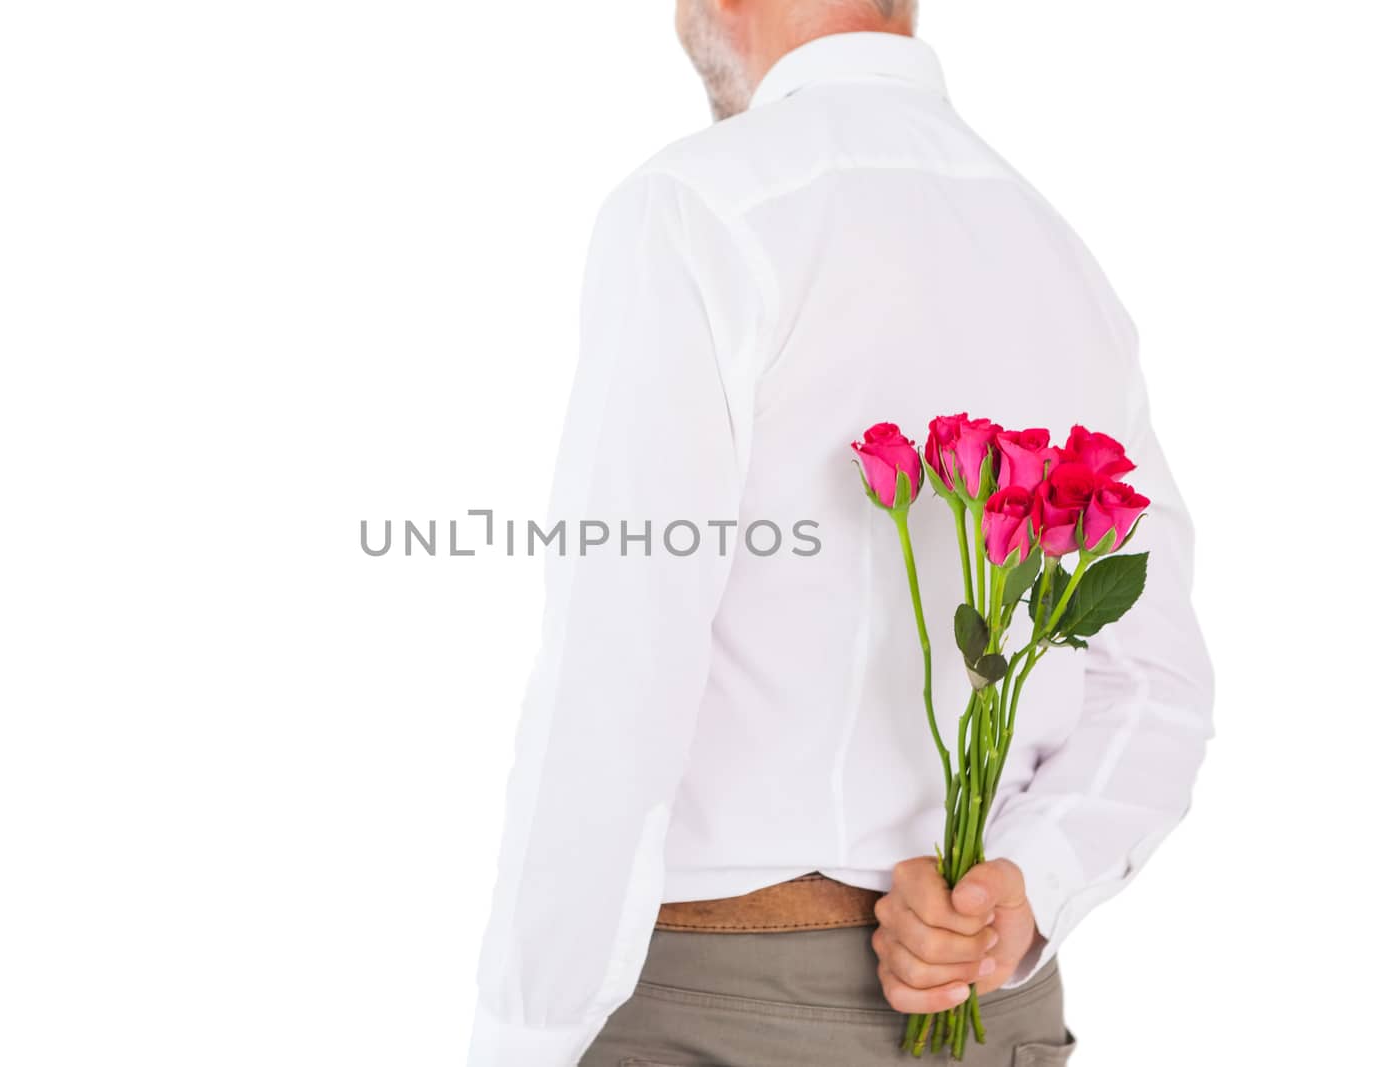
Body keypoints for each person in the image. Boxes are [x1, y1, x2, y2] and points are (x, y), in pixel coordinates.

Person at [465, 2, 1215, 1064]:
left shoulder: (697, 208)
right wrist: (1023, 888)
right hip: (988, 1017)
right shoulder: (1054, 247)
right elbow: (1155, 683)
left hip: (717, 1012)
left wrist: (522, 1034)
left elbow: (617, 667)